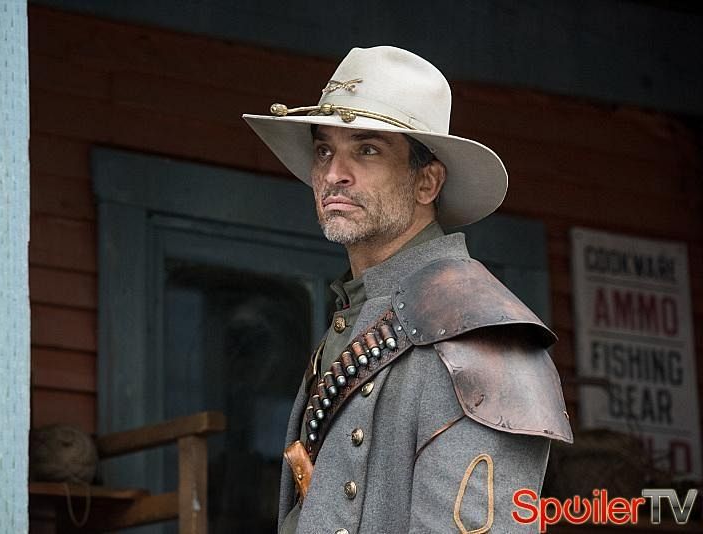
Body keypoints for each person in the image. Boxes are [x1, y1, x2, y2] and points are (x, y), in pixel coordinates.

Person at [243, 46, 573, 534]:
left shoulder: (483, 331)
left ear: (427, 182)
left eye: (367, 149)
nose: (334, 174)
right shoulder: (362, 313)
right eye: (324, 150)